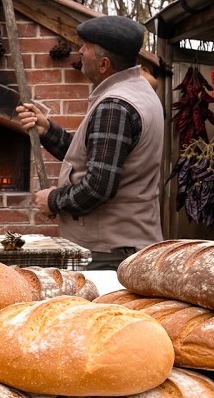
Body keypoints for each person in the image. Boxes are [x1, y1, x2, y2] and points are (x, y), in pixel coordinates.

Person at [16, 15, 163, 272]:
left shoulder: (115, 105)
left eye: (86, 47)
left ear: (104, 63)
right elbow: (99, 157)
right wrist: (47, 130)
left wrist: (53, 200)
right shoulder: (137, 90)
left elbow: (97, 186)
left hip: (108, 252)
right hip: (124, 245)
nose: (80, 51)